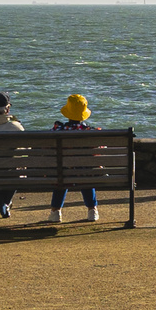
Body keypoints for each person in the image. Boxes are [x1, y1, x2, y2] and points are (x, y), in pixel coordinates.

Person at [47, 94, 99, 223]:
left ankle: (55, 212)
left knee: (61, 177)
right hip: (84, 172)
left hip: (62, 172)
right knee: (85, 173)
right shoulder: (90, 132)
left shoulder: (58, 129)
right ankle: (92, 210)